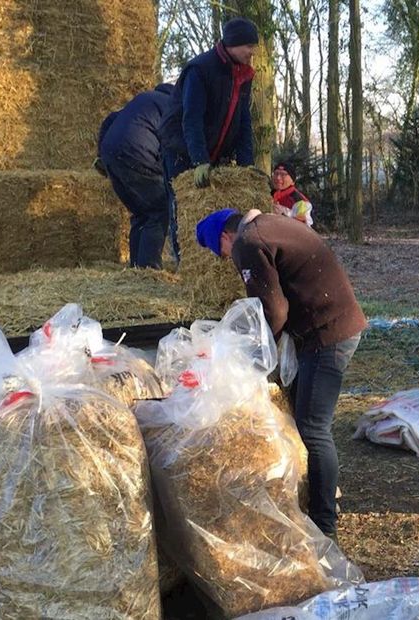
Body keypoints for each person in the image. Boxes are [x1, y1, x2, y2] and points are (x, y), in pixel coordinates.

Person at [194, 207, 367, 540]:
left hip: (327, 332)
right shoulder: (269, 224)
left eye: (222, 253)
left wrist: (259, 353)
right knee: (298, 406)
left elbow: (271, 310)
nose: (227, 259)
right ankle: (316, 491)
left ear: (225, 237)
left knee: (313, 428)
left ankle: (324, 523)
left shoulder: (247, 243)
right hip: (331, 322)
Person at [159, 17, 260, 258]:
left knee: (213, 206)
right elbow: (191, 117)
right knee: (183, 206)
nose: (252, 52)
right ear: (233, 44)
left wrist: (246, 167)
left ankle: (211, 259)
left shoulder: (243, 75)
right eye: (249, 46)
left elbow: (243, 120)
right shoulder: (200, 69)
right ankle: (184, 259)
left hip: (214, 149)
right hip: (182, 148)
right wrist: (199, 159)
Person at [95, 83, 175, 269]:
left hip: (110, 154)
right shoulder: (171, 105)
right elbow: (172, 143)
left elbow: (109, 119)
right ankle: (148, 268)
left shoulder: (141, 100)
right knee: (159, 209)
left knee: (141, 213)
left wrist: (100, 154)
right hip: (137, 152)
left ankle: (136, 268)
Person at [270, 161, 314, 227]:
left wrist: (282, 215)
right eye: (276, 173)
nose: (278, 178)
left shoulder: (301, 202)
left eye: (283, 174)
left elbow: (302, 228)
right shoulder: (268, 194)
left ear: (293, 181)